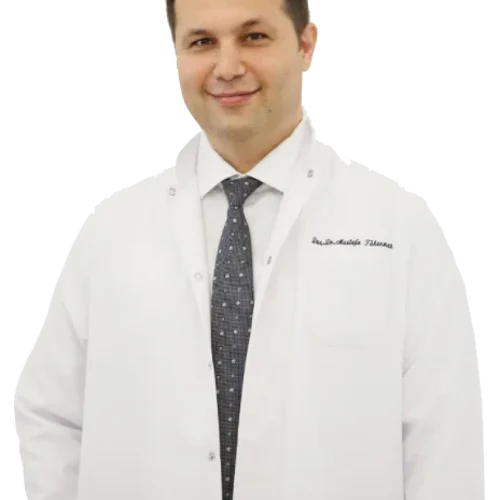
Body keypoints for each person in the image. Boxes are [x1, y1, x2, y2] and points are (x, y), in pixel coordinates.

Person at [16, 0, 482, 499]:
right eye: (202, 42)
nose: (227, 67)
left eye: (253, 37)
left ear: (306, 44)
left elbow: (445, 434)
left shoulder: (400, 221)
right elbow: (50, 420)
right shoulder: (107, 225)